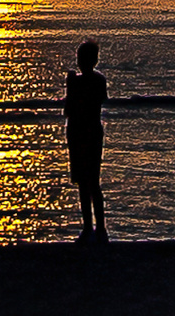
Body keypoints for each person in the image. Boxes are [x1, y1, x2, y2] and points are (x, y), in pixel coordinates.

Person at [63, 39, 108, 242]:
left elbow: (69, 109)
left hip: (81, 133)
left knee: (85, 183)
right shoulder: (99, 81)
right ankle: (98, 229)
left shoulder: (80, 83)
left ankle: (91, 228)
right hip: (92, 132)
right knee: (91, 182)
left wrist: (70, 86)